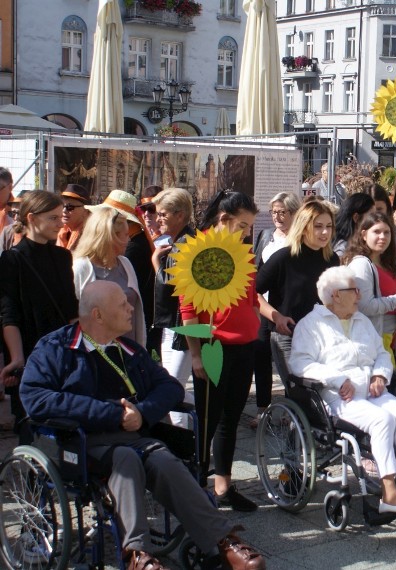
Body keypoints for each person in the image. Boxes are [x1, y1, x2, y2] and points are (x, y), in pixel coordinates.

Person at [20, 281, 266, 570]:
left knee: (162, 458)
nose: (131, 309)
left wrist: (142, 412)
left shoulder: (129, 349)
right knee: (126, 458)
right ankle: (137, 554)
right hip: (79, 440)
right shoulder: (56, 348)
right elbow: (35, 398)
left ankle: (222, 540)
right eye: (123, 305)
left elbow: (170, 387)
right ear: (98, 315)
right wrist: (112, 413)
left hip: (134, 435)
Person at [289, 266, 396, 515]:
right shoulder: (311, 325)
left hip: (372, 391)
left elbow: (382, 354)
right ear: (336, 294)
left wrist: (379, 375)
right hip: (339, 397)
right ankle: (390, 493)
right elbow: (300, 363)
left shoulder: (360, 320)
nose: (360, 296)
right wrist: (338, 379)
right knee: (382, 420)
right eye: (355, 290)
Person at [181, 191, 261, 512]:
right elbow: (187, 308)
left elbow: (252, 298)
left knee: (230, 418)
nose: (246, 233)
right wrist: (197, 354)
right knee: (208, 420)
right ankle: (197, 486)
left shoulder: (245, 253)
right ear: (223, 220)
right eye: (242, 226)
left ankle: (224, 485)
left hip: (244, 347)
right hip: (214, 347)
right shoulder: (199, 250)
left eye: (249, 227)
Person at [0, 191, 78, 431]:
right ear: (32, 218)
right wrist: (17, 357)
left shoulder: (62, 256)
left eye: (61, 216)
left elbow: (71, 308)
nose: (60, 223)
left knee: (63, 425)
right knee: (30, 425)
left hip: (61, 352)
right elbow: (8, 313)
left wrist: (78, 350)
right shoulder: (11, 260)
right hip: (30, 352)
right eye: (53, 218)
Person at [256, 200, 339, 381]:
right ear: (304, 226)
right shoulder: (283, 257)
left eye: (329, 226)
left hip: (322, 336)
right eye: (318, 226)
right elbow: (252, 293)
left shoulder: (332, 259)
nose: (325, 232)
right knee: (299, 390)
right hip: (289, 336)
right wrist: (276, 317)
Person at [251, 191, 301, 428]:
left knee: (288, 362)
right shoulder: (265, 236)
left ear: (294, 213)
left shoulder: (300, 238)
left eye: (283, 212)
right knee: (260, 355)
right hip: (264, 306)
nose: (277, 217)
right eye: (274, 212)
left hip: (286, 306)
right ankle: (263, 408)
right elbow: (257, 268)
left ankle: (291, 409)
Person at [343, 212, 396, 361]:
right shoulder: (361, 265)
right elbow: (365, 306)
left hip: (391, 338)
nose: (382, 237)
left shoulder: (389, 264)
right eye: (376, 231)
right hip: (373, 340)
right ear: (364, 234)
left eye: (387, 232)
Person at [151, 188, 196, 412]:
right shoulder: (180, 240)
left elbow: (174, 285)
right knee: (172, 388)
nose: (158, 218)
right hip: (174, 326)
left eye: (163, 214)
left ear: (180, 215)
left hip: (182, 327)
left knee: (173, 390)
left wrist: (155, 262)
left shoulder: (186, 242)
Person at [72, 207, 146, 345]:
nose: (129, 240)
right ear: (111, 237)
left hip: (129, 351)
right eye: (125, 235)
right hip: (95, 353)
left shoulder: (125, 264)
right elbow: (73, 316)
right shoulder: (81, 267)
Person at [57, 183, 92, 252]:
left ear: (85, 210)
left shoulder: (91, 235)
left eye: (70, 207)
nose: (64, 211)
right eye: (62, 206)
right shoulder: (58, 231)